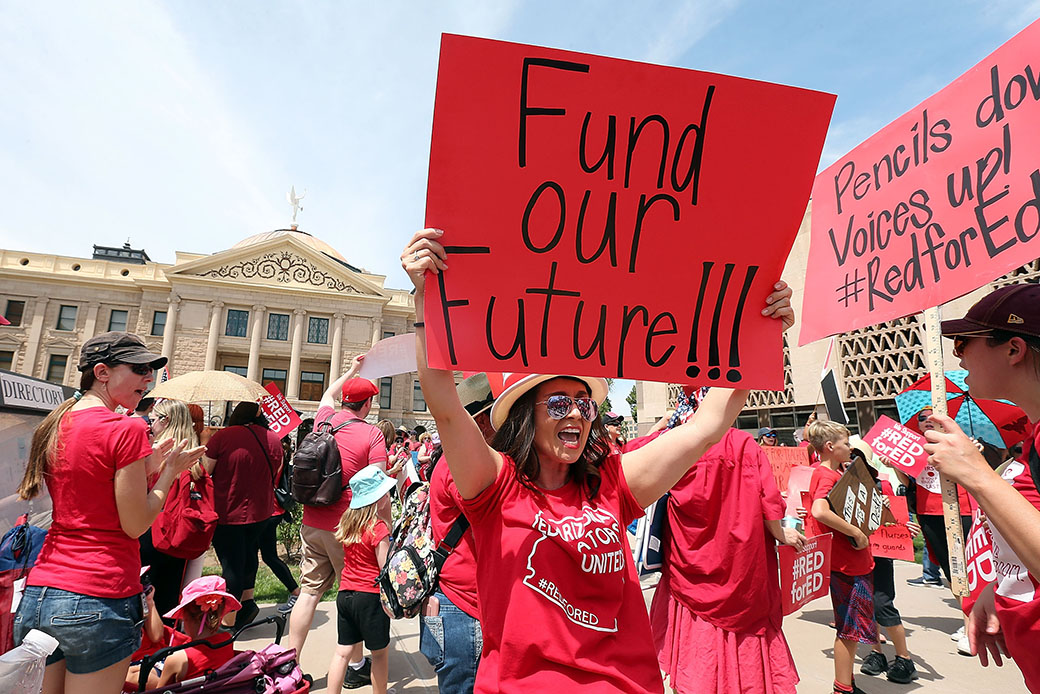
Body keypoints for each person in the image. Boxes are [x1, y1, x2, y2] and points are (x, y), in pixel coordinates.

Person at [401, 227, 794, 692]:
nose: (577, 414)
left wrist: (759, 330)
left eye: (584, 403)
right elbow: (445, 405)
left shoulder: (612, 483)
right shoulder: (495, 486)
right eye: (558, 402)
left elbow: (706, 427)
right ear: (527, 414)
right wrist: (424, 297)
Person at [13, 331, 205, 694]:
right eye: (139, 369)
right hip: (98, 594)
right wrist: (168, 474)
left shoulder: (57, 423)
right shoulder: (126, 426)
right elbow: (135, 524)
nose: (149, 378)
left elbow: (88, 488)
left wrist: (149, 467)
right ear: (102, 372)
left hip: (42, 591)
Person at [923, 283, 1040, 688]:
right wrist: (1000, 592)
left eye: (964, 341)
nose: (957, 354)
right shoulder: (1032, 442)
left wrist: (977, 474)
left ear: (1013, 350)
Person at [648, 408, 805, 694]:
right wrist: (782, 533)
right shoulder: (743, 444)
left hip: (688, 566)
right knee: (747, 653)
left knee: (693, 652)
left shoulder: (675, 443)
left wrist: (661, 425)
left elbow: (632, 466)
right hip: (742, 566)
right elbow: (769, 503)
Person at [288, 354, 388, 668]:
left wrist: (352, 370)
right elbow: (378, 492)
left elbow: (328, 394)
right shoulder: (372, 435)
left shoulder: (323, 420)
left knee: (308, 592)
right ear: (368, 404)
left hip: (313, 520)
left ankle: (290, 661)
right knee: (352, 595)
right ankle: (355, 665)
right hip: (349, 528)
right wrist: (384, 527)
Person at [420, 373, 492, 694]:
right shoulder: (463, 466)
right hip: (465, 610)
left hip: (458, 604)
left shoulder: (456, 459)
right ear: (484, 422)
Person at [805, 419, 875, 694]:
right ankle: (843, 688)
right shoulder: (826, 475)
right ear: (830, 447)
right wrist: (856, 533)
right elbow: (820, 511)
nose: (850, 447)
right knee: (849, 629)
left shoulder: (835, 472)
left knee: (852, 629)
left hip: (851, 562)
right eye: (846, 443)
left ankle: (847, 683)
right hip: (847, 564)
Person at [202, 401, 284, 628]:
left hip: (228, 511)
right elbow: (276, 473)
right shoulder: (274, 439)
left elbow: (204, 472)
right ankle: (247, 602)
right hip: (262, 512)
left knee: (231, 566)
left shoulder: (223, 437)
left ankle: (228, 623)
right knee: (249, 557)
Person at [848, 437, 918, 684]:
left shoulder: (882, 485)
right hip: (855, 555)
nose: (851, 462)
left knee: (882, 604)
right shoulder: (841, 486)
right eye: (849, 457)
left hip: (880, 554)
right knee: (866, 607)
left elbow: (898, 522)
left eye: (857, 457)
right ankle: (877, 652)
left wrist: (903, 522)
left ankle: (904, 658)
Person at [329, 467, 395, 694]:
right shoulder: (378, 528)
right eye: (385, 493)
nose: (388, 496)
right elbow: (384, 567)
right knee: (379, 653)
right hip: (370, 597)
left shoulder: (348, 523)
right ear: (377, 498)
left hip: (345, 594)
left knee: (342, 652)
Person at [139, 398, 204, 617]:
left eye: (154, 419)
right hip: (180, 535)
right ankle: (165, 645)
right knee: (170, 597)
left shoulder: (157, 453)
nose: (150, 424)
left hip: (151, 531)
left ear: (165, 421)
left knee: (143, 596)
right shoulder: (194, 453)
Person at [127, 575, 238, 690]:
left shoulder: (178, 659)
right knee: (134, 671)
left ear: (187, 618)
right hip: (210, 686)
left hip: (180, 684)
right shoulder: (227, 640)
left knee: (129, 676)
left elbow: (160, 691)